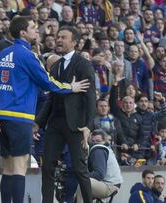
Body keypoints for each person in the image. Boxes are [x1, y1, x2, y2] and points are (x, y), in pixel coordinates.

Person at [0, 16, 90, 203]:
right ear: (23, 33)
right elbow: (47, 81)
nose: (37, 31)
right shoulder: (28, 55)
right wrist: (71, 87)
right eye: (33, 28)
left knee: (7, 167)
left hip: (1, 115)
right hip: (20, 116)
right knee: (20, 167)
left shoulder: (4, 53)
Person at [35, 25, 96, 203]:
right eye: (58, 37)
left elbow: (91, 97)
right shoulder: (55, 67)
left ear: (74, 42)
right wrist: (38, 122)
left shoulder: (84, 65)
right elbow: (51, 99)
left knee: (79, 169)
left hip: (76, 124)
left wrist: (89, 125)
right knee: (47, 167)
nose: (58, 40)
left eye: (63, 37)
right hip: (55, 123)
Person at [75, 129, 123, 203]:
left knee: (83, 181)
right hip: (111, 184)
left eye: (98, 141)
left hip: (109, 186)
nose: (95, 143)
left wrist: (82, 175)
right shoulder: (106, 148)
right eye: (93, 141)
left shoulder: (99, 150)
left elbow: (99, 174)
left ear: (104, 141)